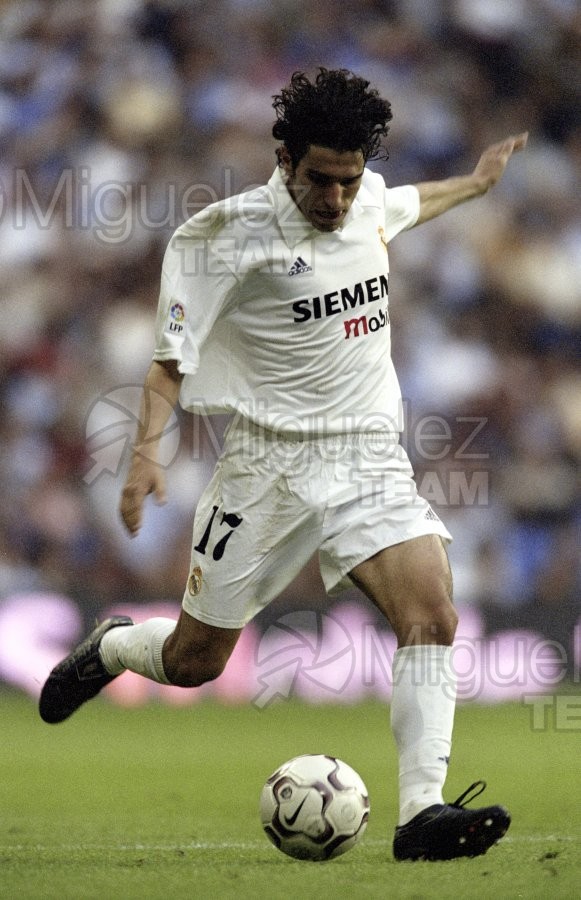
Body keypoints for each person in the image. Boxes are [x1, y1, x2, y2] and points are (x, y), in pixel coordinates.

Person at [40, 68, 527, 862]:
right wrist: (142, 458)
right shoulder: (221, 238)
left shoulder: (366, 200)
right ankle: (112, 647)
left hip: (367, 459)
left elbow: (408, 205)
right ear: (284, 157)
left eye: (349, 180)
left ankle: (419, 815)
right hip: (266, 472)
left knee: (432, 615)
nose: (337, 200)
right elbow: (170, 360)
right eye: (319, 182)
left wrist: (473, 184)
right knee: (194, 661)